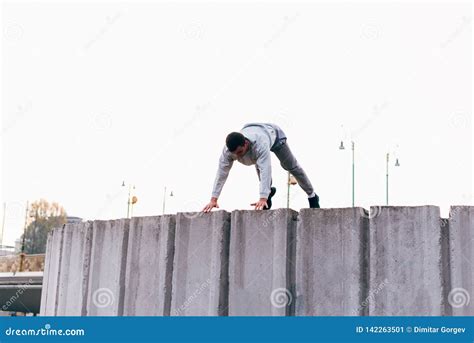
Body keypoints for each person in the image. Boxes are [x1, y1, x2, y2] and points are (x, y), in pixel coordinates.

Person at [202, 123, 320, 212]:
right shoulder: (227, 152)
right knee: (258, 163)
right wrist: (214, 199)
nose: (238, 156)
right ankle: (268, 192)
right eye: (235, 154)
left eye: (240, 151)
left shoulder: (260, 144)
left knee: (291, 166)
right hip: (253, 132)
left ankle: (312, 196)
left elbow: (266, 169)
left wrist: (262, 198)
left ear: (246, 144)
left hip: (275, 137)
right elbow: (221, 174)